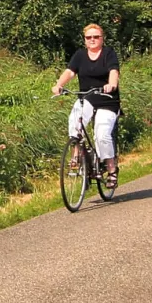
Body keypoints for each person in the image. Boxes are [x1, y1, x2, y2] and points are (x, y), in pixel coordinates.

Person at [52, 23, 121, 184]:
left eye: (96, 37)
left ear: (102, 38)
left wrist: (111, 84)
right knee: (74, 122)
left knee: (102, 134)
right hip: (86, 98)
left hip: (106, 100)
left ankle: (111, 169)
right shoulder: (80, 55)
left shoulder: (108, 53)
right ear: (84, 40)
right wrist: (59, 85)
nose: (92, 40)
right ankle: (77, 154)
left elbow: (113, 71)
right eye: (89, 37)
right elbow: (70, 72)